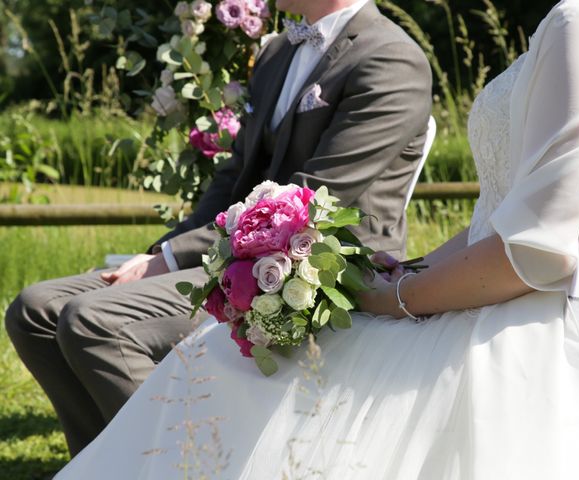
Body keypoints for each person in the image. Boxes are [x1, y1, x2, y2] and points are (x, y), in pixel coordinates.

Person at [4, 0, 432, 458]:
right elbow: (235, 176)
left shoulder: (390, 58)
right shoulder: (276, 55)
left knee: (97, 322)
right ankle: (106, 465)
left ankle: (195, 465)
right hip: (238, 255)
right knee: (36, 310)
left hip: (313, 271)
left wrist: (171, 261)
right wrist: (166, 252)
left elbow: (311, 201)